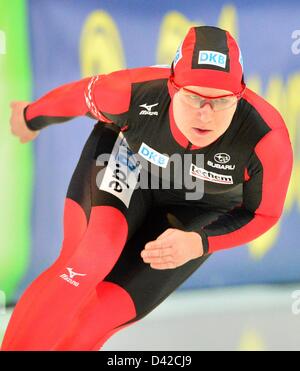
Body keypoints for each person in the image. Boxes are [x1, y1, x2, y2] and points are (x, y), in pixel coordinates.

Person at [2, 25, 293, 351]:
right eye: (194, 96)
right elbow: (76, 97)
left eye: (222, 102)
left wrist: (200, 242)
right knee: (90, 260)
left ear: (240, 97)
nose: (205, 113)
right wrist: (29, 118)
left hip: (200, 206)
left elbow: (264, 214)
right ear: (171, 88)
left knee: (101, 314)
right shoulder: (134, 92)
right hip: (130, 163)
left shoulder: (267, 139)